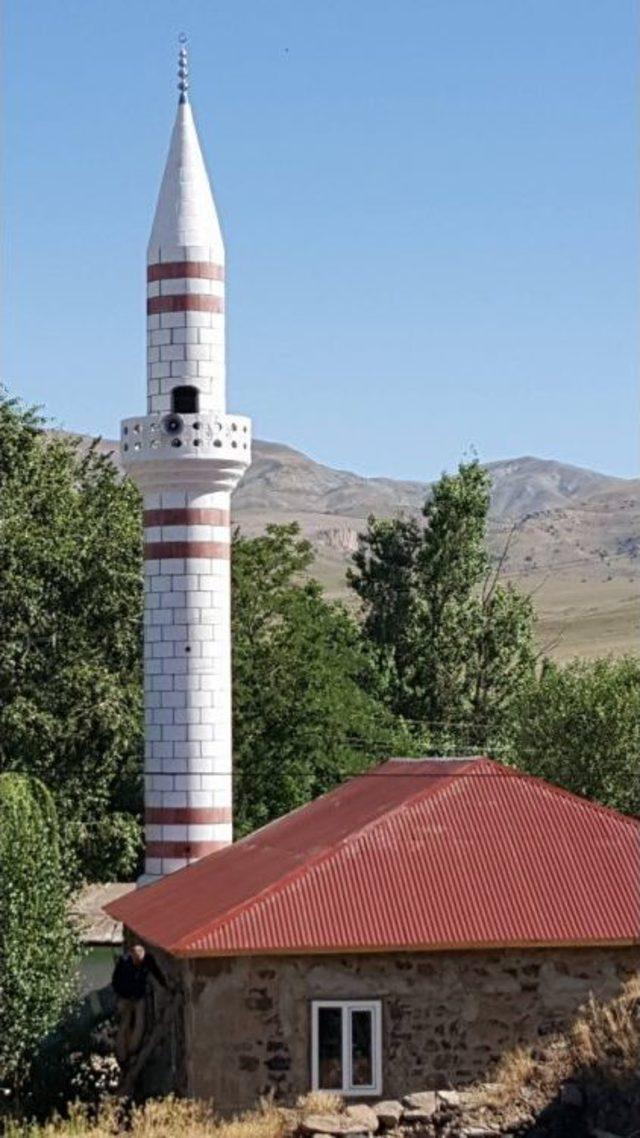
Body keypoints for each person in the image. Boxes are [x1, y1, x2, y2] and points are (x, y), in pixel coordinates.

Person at [111, 943, 166, 1065]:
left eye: (139, 961)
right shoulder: (124, 963)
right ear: (131, 955)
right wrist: (124, 996)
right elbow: (115, 982)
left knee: (140, 1023)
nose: (138, 964)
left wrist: (165, 985)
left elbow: (156, 972)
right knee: (124, 1024)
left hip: (139, 996)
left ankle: (132, 1050)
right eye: (136, 961)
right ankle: (122, 1055)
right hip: (125, 997)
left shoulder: (147, 960)